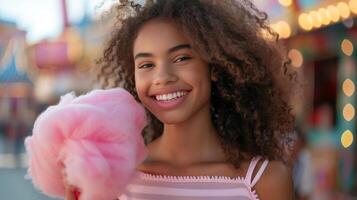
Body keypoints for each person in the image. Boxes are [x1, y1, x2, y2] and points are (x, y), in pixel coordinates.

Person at [65, 0, 296, 199]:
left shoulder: (264, 180)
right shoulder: (115, 177)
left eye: (181, 58)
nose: (162, 77)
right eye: (146, 65)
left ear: (213, 67)